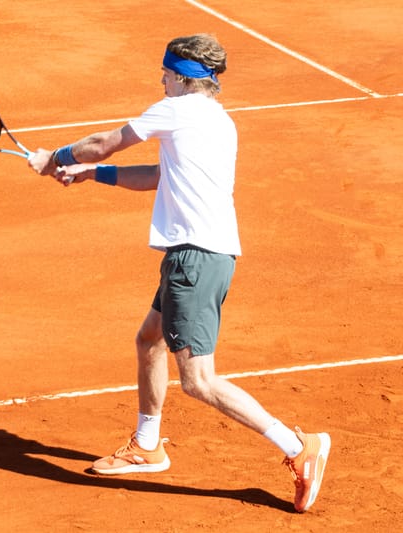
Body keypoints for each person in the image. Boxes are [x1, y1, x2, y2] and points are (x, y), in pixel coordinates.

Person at [28, 34, 330, 513]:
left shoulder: (176, 109)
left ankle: (299, 447)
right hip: (204, 256)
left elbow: (103, 143)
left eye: (166, 73)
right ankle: (148, 445)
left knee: (199, 380)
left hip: (194, 258)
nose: (161, 80)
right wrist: (91, 176)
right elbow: (157, 176)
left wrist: (57, 159)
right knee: (150, 340)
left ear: (185, 78)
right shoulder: (219, 121)